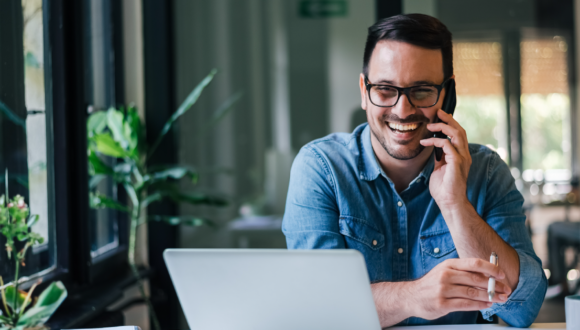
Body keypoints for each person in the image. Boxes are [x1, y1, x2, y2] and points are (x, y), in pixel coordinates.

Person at [282, 14, 547, 327]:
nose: (402, 110)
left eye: (421, 90)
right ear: (364, 91)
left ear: (447, 95)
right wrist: (415, 297)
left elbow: (523, 309)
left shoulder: (486, 171)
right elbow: (316, 309)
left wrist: (455, 205)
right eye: (384, 89)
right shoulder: (321, 168)